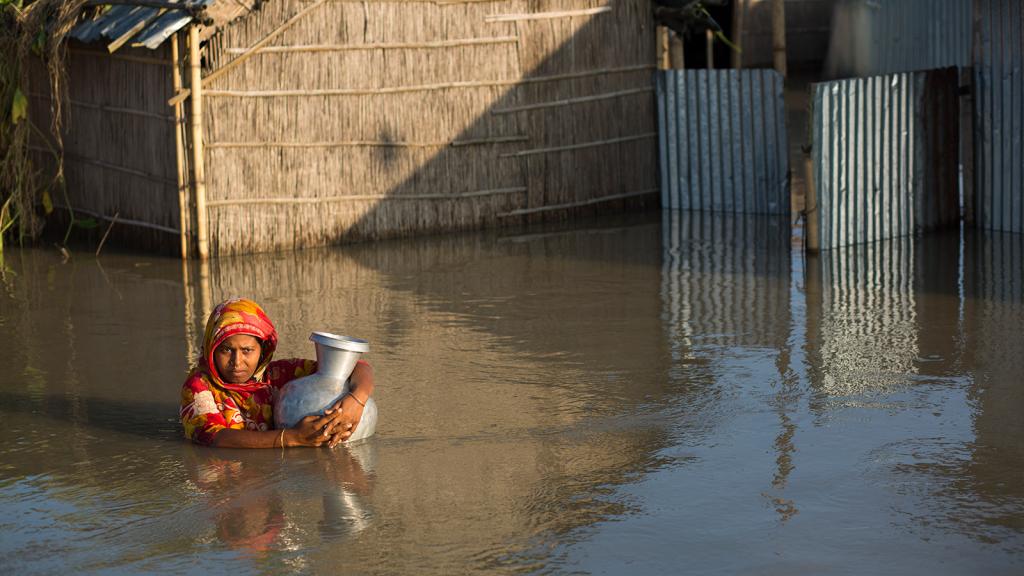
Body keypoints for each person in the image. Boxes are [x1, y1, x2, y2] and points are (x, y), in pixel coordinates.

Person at [180, 298, 374, 448]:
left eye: (247, 350)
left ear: (263, 350)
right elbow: (215, 438)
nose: (237, 362)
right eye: (226, 350)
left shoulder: (277, 374)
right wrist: (292, 438)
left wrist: (357, 400)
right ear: (211, 348)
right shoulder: (199, 385)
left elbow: (354, 366)